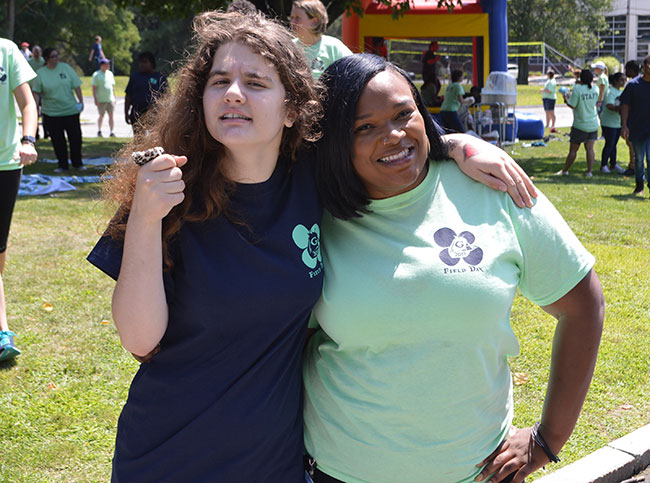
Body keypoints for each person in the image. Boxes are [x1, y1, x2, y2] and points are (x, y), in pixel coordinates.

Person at [87, 11, 538, 481]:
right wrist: (144, 215)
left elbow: (388, 138)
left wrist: (458, 144)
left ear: (291, 109)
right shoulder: (167, 190)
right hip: (168, 453)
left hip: (275, 458)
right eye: (219, 80)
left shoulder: (315, 179)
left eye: (256, 82)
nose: (234, 93)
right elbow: (140, 340)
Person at [303, 53, 604, 483]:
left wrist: (548, 437)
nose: (392, 135)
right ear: (335, 140)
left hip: (476, 473)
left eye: (403, 113)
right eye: (363, 127)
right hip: (340, 471)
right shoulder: (313, 210)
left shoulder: (493, 186)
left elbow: (583, 306)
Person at [0, 38, 38, 362]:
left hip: (6, 164)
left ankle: (1, 332)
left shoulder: (6, 50)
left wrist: (28, 140)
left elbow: (27, 103)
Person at [31, 48, 85, 172]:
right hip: (51, 113)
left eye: (57, 56)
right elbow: (37, 92)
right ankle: (63, 165)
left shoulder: (65, 68)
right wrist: (35, 108)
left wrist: (81, 101)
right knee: (58, 140)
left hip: (70, 111)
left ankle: (78, 163)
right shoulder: (41, 73)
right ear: (46, 59)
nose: (56, 59)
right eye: (53, 57)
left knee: (76, 139)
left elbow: (76, 85)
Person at [289, 0, 352, 80]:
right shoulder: (289, 48)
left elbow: (354, 69)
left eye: (297, 18)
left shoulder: (333, 47)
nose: (292, 22)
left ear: (314, 22)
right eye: (291, 18)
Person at [556, 69, 599, 177]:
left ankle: (565, 170)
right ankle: (589, 172)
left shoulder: (578, 90)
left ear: (581, 78)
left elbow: (572, 105)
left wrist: (565, 98)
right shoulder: (595, 89)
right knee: (590, 149)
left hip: (580, 124)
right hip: (593, 123)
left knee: (573, 150)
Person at [620, 55, 650, 196]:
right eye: (648, 64)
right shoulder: (633, 85)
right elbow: (625, 106)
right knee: (638, 159)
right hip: (637, 128)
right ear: (643, 66)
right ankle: (639, 185)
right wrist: (624, 126)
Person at [124, 51, 168, 132]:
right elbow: (128, 96)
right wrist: (126, 113)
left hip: (155, 113)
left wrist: (165, 114)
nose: (142, 64)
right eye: (140, 62)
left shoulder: (159, 77)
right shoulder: (135, 77)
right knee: (138, 140)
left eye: (145, 62)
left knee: (154, 139)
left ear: (151, 63)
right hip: (137, 112)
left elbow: (167, 96)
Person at [599, 73, 626, 174]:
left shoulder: (621, 91)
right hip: (609, 122)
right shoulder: (610, 91)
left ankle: (613, 164)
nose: (623, 82)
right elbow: (609, 105)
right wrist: (622, 108)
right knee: (609, 144)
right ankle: (603, 165)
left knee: (614, 144)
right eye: (621, 80)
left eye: (625, 80)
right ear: (615, 81)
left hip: (617, 122)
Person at [622, 60, 640, 176]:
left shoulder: (633, 84)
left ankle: (633, 166)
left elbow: (625, 105)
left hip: (634, 119)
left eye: (627, 69)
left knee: (632, 143)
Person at [92, 58, 116, 137]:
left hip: (110, 99)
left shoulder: (110, 74)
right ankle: (99, 130)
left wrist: (114, 97)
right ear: (102, 65)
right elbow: (94, 88)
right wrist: (95, 99)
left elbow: (112, 86)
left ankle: (112, 131)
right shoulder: (96, 74)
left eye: (108, 64)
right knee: (101, 115)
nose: (108, 65)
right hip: (101, 99)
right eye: (106, 64)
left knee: (111, 115)